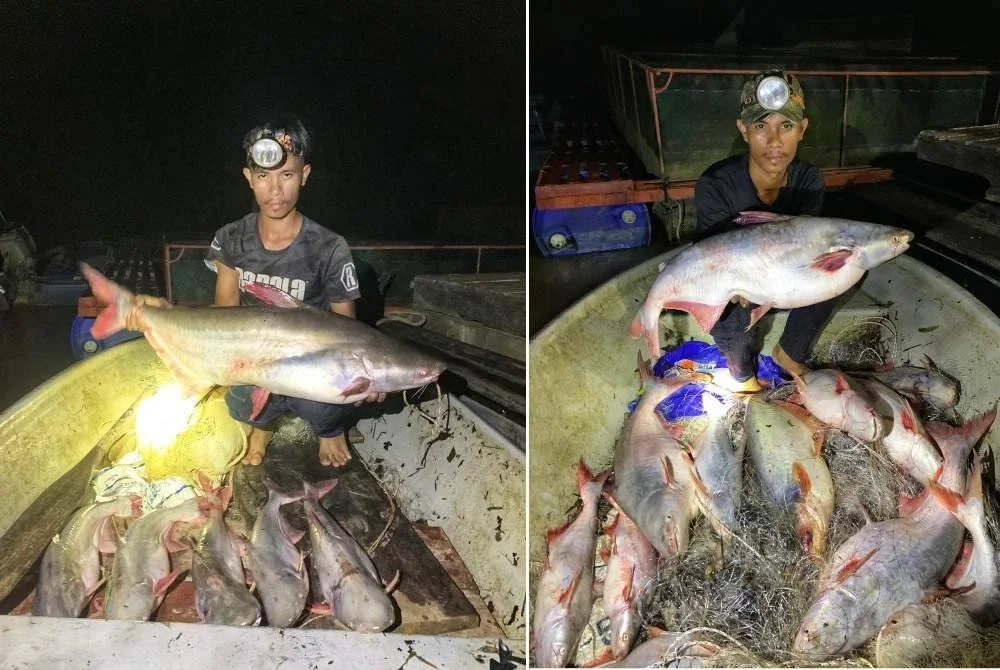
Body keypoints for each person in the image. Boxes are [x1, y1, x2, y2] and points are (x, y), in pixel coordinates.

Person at [206, 117, 383, 467]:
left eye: (287, 175)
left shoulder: (330, 246)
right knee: (239, 401)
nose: (275, 190)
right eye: (263, 177)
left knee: (329, 400)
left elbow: (345, 331)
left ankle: (330, 429)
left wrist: (371, 376)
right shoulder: (230, 238)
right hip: (254, 352)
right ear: (248, 179)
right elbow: (222, 312)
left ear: (304, 175)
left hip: (312, 357)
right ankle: (263, 425)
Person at [693, 69, 833, 393]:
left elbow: (807, 248)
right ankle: (741, 374)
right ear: (743, 129)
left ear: (802, 129)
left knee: (843, 263)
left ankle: (789, 353)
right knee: (729, 307)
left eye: (786, 126)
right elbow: (709, 261)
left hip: (785, 281)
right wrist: (740, 284)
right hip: (736, 287)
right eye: (761, 126)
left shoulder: (809, 180)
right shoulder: (716, 185)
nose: (774, 142)